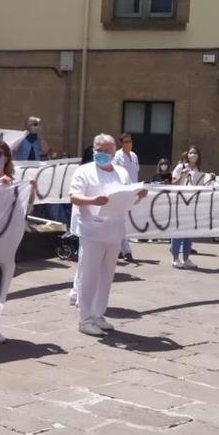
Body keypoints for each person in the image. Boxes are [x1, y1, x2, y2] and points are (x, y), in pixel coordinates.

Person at [69, 133, 147, 337]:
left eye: (107, 150)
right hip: (92, 230)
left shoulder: (121, 172)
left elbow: (127, 200)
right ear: (93, 150)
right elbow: (74, 197)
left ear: (114, 152)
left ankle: (98, 314)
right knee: (89, 275)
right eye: (99, 149)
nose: (102, 153)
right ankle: (85, 318)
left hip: (114, 231)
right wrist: (93, 200)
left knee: (106, 276)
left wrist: (139, 196)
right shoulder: (84, 171)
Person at [170, 146, 215, 268]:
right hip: (180, 202)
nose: (193, 155)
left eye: (195, 153)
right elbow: (172, 183)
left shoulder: (199, 169)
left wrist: (210, 177)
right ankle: (175, 258)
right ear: (187, 155)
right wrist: (182, 176)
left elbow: (203, 184)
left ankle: (186, 258)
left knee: (189, 232)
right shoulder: (181, 167)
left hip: (193, 204)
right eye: (191, 153)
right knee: (178, 231)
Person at [113, 133, 139, 262]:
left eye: (130, 141)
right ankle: (126, 250)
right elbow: (114, 173)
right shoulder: (117, 156)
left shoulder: (134, 156)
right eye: (126, 142)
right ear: (121, 143)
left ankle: (118, 249)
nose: (129, 144)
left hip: (132, 191)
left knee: (126, 222)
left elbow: (135, 173)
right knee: (122, 221)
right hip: (122, 191)